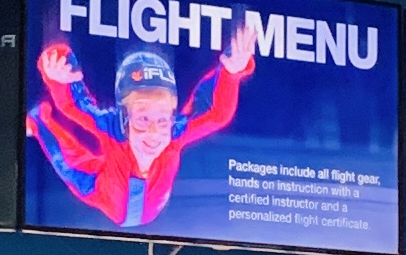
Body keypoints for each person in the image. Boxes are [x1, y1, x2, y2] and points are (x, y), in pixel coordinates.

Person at [30, 20, 256, 230]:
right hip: (101, 193)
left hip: (138, 207)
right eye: (143, 119)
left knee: (70, 163)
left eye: (162, 120)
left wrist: (230, 74)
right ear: (124, 118)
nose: (153, 132)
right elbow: (75, 106)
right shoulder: (113, 129)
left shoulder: (174, 134)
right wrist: (58, 73)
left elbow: (215, 113)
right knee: (66, 162)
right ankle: (38, 119)